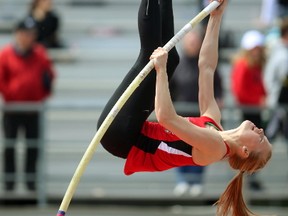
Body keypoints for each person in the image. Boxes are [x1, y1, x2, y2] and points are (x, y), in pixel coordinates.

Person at [98, 0, 272, 215]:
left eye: (262, 140)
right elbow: (207, 67)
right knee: (172, 60)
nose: (262, 131)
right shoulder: (213, 123)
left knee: (151, 59)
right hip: (131, 131)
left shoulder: (215, 147)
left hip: (123, 137)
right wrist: (216, 18)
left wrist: (161, 71)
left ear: (245, 151)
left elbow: (166, 118)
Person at [0, 17, 55, 191]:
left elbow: (49, 76)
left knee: (33, 147)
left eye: (31, 34)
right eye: (25, 33)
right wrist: (11, 95)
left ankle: (31, 183)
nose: (28, 37)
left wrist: (41, 95)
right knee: (10, 147)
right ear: (17, 34)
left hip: (33, 110)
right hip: (12, 110)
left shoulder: (40, 53)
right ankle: (9, 183)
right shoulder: (5, 54)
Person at [170, 30, 223, 197]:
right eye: (190, 41)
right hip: (181, 116)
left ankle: (197, 182)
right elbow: (169, 89)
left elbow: (218, 86)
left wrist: (219, 101)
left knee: (201, 148)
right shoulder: (177, 65)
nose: (193, 44)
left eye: (195, 41)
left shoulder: (205, 64)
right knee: (180, 148)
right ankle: (183, 181)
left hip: (202, 116)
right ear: (185, 43)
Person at [231, 30, 267, 191]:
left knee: (254, 147)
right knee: (248, 147)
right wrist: (258, 101)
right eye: (254, 48)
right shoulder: (243, 65)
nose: (257, 51)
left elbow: (260, 88)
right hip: (247, 112)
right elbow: (240, 92)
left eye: (258, 48)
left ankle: (252, 177)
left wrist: (263, 97)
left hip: (254, 111)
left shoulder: (255, 66)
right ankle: (248, 179)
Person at [264, 18, 288, 142]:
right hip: (279, 103)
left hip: (279, 102)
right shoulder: (282, 55)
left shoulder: (279, 51)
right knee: (269, 137)